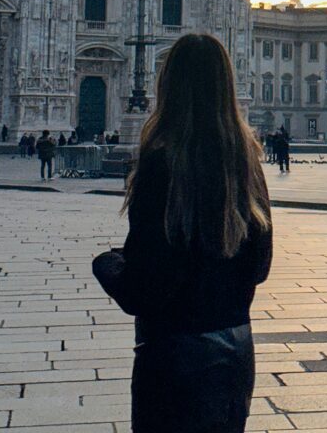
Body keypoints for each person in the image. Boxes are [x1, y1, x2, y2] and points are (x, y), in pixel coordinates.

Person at [111, 34, 273, 433]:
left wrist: (107, 266)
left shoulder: (161, 163)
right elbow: (259, 266)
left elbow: (146, 287)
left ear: (168, 86)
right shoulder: (246, 159)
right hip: (235, 351)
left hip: (173, 358)